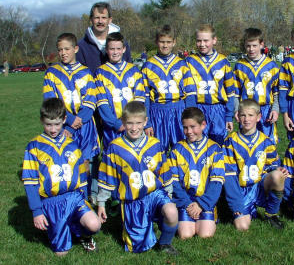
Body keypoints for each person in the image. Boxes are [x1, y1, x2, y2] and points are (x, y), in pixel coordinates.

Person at [21, 98, 101, 255]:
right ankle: (56, 226)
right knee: (61, 253)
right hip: (52, 202)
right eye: (48, 124)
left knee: (94, 224)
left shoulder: (72, 144)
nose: (53, 129)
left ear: (64, 120)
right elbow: (30, 183)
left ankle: (84, 235)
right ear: (41, 121)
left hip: (74, 197)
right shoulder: (34, 147)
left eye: (57, 124)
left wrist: (84, 197)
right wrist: (37, 211)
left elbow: (82, 176)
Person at [97, 101, 179, 254]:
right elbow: (106, 177)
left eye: (138, 123)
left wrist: (169, 193)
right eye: (129, 123)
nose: (134, 128)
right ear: (123, 122)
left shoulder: (155, 144)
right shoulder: (115, 147)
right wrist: (101, 203)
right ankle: (132, 225)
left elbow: (164, 171)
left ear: (145, 122)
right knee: (138, 248)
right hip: (132, 201)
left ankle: (165, 243)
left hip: (155, 194)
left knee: (172, 212)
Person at [43, 33, 99, 198]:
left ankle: (85, 197)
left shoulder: (86, 72)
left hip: (85, 125)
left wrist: (79, 119)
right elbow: (50, 102)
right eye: (60, 50)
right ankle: (69, 196)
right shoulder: (51, 73)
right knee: (66, 162)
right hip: (63, 125)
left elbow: (91, 101)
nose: (63, 53)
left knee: (85, 162)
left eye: (67, 49)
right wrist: (70, 120)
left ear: (75, 48)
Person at [224, 99, 288, 230]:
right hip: (241, 190)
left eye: (250, 115)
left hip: (259, 186)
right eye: (243, 115)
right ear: (237, 117)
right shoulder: (230, 141)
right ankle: (234, 209)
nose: (246, 119)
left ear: (258, 117)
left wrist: (278, 169)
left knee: (278, 175)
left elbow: (272, 165)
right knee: (242, 227)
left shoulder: (266, 141)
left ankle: (272, 214)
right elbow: (229, 176)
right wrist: (236, 203)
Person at [168, 107, 224, 239]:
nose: (189, 131)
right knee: (185, 234)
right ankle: (184, 213)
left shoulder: (215, 149)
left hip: (205, 200)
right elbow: (173, 182)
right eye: (185, 127)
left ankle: (209, 214)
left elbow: (217, 182)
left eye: (193, 127)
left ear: (203, 125)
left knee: (205, 234)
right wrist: (187, 204)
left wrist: (201, 204)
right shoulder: (177, 149)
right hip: (185, 200)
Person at [141, 25, 197, 151]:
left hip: (179, 110)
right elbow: (145, 98)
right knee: (158, 151)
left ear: (174, 42)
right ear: (156, 42)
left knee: (183, 149)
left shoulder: (182, 64)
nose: (165, 45)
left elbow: (190, 94)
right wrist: (147, 122)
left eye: (168, 42)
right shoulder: (148, 66)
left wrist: (191, 118)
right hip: (158, 112)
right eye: (162, 42)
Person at [185, 24, 235, 145]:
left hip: (218, 109)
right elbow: (187, 91)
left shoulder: (223, 62)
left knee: (218, 144)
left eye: (205, 40)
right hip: (198, 108)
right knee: (197, 144)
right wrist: (191, 112)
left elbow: (230, 92)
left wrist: (229, 116)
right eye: (198, 41)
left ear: (214, 40)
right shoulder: (189, 61)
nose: (202, 44)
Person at [95, 32, 146, 150]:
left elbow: (139, 99)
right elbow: (102, 104)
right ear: (106, 50)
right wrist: (115, 123)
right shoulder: (100, 73)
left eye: (118, 48)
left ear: (124, 49)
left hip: (133, 127)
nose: (115, 52)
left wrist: (133, 122)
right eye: (112, 49)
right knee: (114, 159)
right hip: (113, 128)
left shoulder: (133, 70)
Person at [234, 28, 280, 144]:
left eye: (254, 45)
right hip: (246, 112)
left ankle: (270, 162)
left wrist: (275, 110)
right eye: (248, 46)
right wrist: (236, 109)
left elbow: (277, 92)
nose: (251, 49)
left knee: (268, 144)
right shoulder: (240, 65)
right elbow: (235, 92)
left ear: (261, 44)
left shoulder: (271, 65)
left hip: (265, 111)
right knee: (246, 143)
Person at [76, 2, 132, 75]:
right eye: (97, 17)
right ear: (91, 19)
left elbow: (129, 71)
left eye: (104, 17)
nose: (100, 21)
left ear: (110, 20)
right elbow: (79, 76)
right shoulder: (82, 47)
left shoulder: (122, 43)